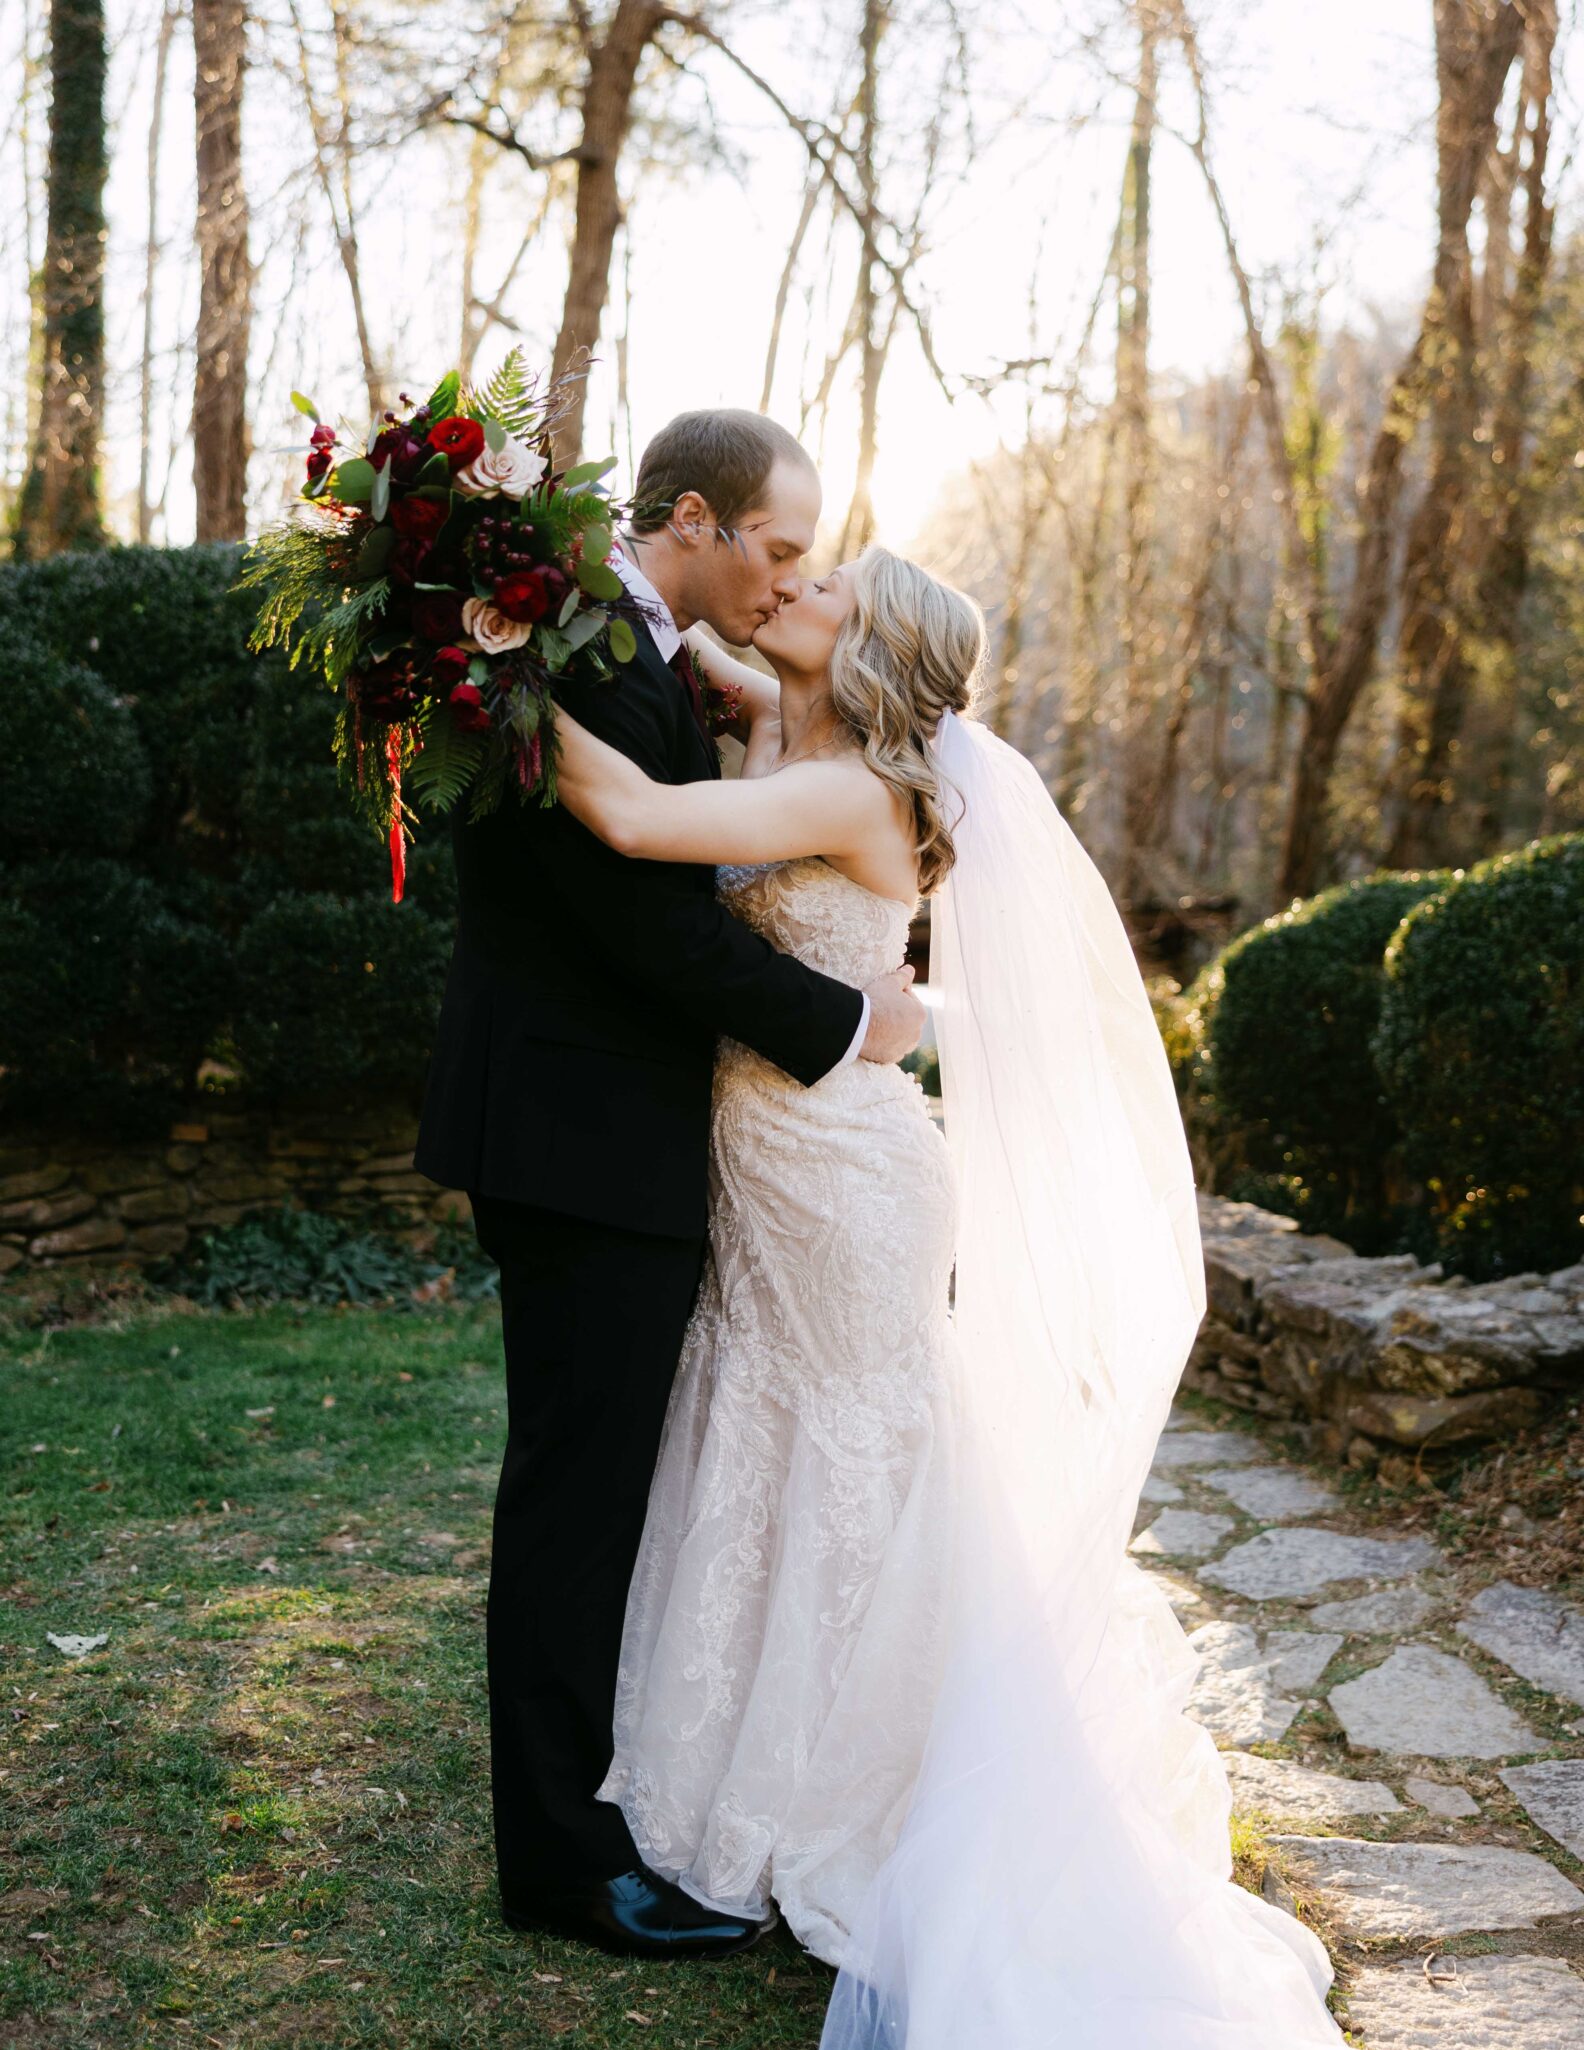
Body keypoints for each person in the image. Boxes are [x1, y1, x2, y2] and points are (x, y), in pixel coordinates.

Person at [551, 543, 1350, 2046]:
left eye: (825, 589)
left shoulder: (855, 789)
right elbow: (697, 644)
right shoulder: (783, 720)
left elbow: (635, 815)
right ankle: (744, 1753)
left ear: (868, 652)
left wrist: (490, 674)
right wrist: (590, 599)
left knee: (857, 1458)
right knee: (769, 1436)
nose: (791, 587)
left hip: (844, 1178)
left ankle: (867, 1783)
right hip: (773, 1159)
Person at [411, 410, 925, 1960]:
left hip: (627, 1137)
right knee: (578, 1498)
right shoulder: (568, 657)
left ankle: (624, 1800)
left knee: (622, 1485)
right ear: (693, 518)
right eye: (777, 547)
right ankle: (564, 1860)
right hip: (582, 1136)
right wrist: (845, 1020)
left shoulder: (628, 651)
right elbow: (649, 922)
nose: (785, 580)